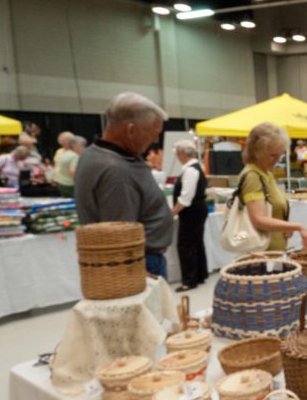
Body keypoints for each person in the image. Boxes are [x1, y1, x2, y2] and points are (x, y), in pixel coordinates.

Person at [74, 93, 173, 278]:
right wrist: (139, 275)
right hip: (139, 265)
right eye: (154, 134)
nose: (155, 141)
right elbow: (120, 236)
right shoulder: (116, 171)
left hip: (140, 261)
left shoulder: (95, 155)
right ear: (131, 130)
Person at [238, 122, 307, 252]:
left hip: (273, 250)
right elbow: (258, 220)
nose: (277, 160)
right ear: (256, 152)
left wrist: (284, 227)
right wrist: (298, 227)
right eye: (273, 155)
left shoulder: (266, 173)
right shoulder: (253, 176)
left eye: (280, 155)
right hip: (262, 253)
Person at [171, 140, 208, 291]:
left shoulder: (190, 170)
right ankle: (199, 275)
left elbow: (186, 198)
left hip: (191, 212)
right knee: (196, 243)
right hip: (197, 210)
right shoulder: (195, 168)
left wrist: (172, 212)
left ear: (181, 154)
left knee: (186, 245)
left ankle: (189, 281)